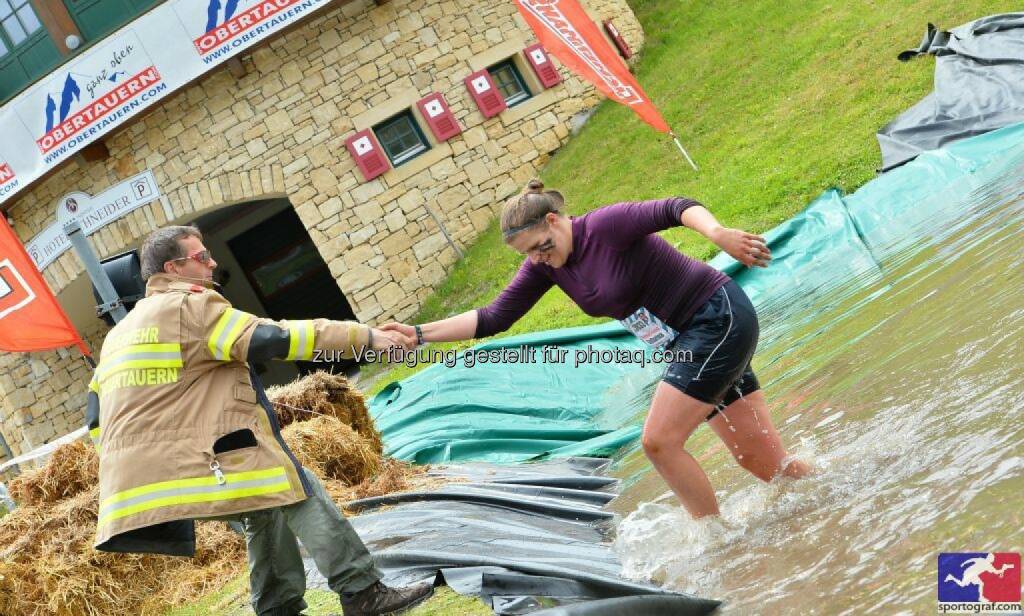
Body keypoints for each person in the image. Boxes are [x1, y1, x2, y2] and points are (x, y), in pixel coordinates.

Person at [383, 180, 812, 519]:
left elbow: (677, 207)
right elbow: (494, 316)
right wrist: (417, 334)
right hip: (686, 344)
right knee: (763, 463)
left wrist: (719, 234)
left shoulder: (605, 227)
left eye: (540, 246)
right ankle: (833, 486)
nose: (536, 259)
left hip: (716, 318)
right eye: (526, 254)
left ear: (555, 220)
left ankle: (715, 540)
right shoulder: (546, 266)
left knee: (659, 442)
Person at [85, 225, 433, 616]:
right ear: (174, 266)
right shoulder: (191, 307)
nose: (212, 262)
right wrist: (362, 337)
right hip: (200, 459)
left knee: (264, 504)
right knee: (300, 489)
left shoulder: (118, 336)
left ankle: (277, 608)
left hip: (136, 483)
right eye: (201, 257)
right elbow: (272, 339)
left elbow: (95, 416)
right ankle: (362, 591)